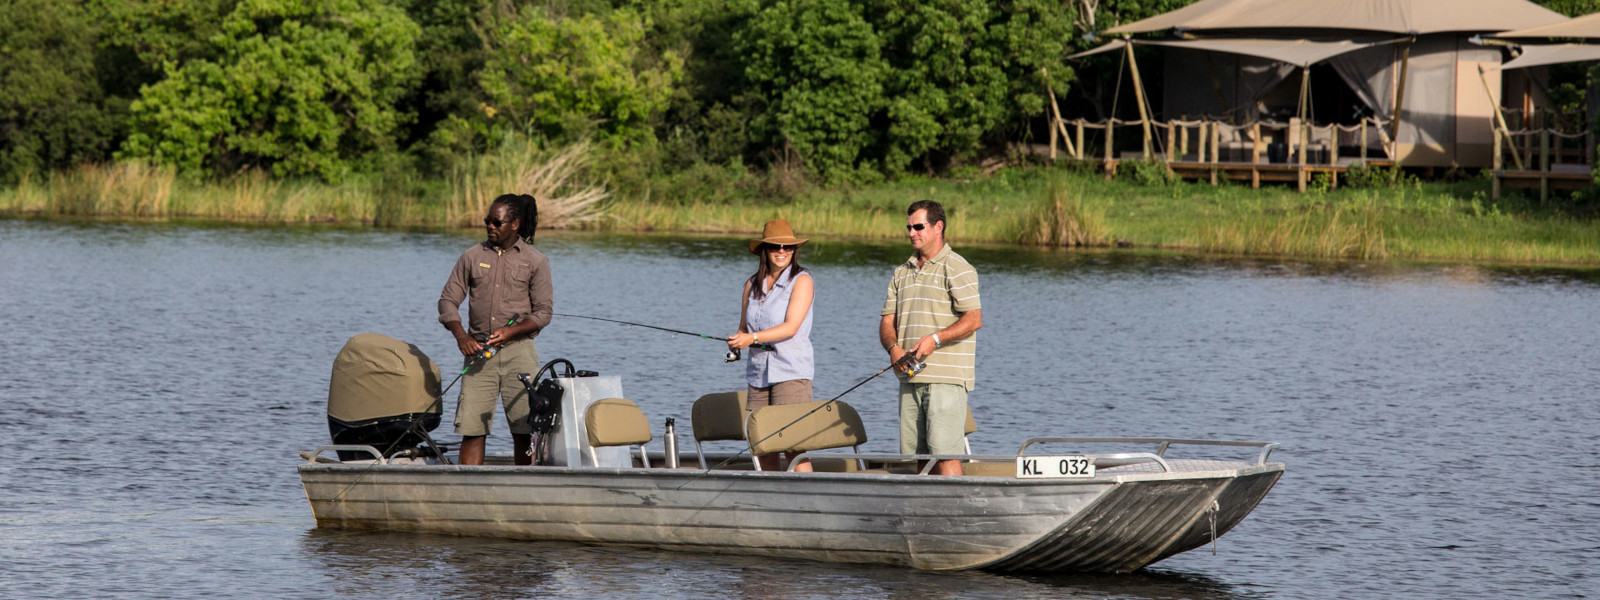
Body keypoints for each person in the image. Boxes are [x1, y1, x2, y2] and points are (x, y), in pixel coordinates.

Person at [438, 194, 554, 466]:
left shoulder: (536, 261)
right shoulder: (471, 256)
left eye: (496, 222)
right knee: (472, 431)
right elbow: (447, 300)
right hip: (478, 354)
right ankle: (466, 493)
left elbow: (543, 313)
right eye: (487, 221)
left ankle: (526, 490)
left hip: (520, 354)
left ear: (514, 224)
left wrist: (510, 332)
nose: (490, 226)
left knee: (524, 431)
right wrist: (461, 336)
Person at [879, 200, 981, 476]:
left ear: (938, 227)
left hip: (946, 380)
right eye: (909, 227)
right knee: (919, 458)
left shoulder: (957, 266)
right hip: (910, 377)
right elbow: (887, 322)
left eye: (918, 226)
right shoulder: (902, 272)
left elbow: (974, 319)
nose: (912, 232)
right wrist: (893, 348)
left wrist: (934, 339)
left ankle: (956, 512)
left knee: (945, 455)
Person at [727, 219, 816, 472]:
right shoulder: (751, 284)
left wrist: (752, 339)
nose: (781, 251)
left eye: (787, 247)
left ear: (794, 251)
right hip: (758, 374)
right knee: (763, 444)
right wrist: (738, 341)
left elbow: (791, 327)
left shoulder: (802, 280)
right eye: (775, 246)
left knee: (794, 445)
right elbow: (744, 328)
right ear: (764, 250)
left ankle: (808, 500)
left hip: (791, 372)